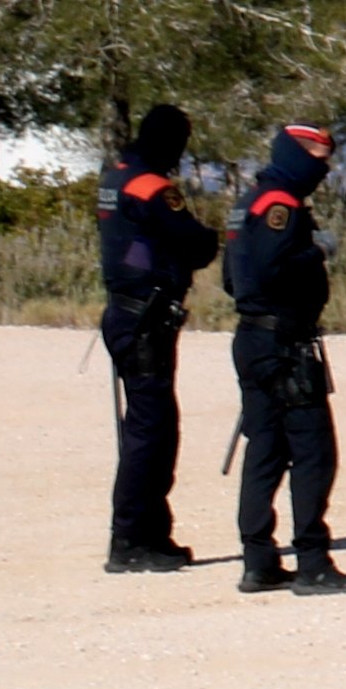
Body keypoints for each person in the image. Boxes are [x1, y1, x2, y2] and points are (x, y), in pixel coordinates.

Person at [221, 118, 346, 595]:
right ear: (301, 156)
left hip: (252, 338)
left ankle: (258, 561)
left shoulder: (247, 203)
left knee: (265, 449)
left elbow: (230, 279)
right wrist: (316, 251)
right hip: (284, 343)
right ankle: (313, 563)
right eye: (321, 162)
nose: (323, 171)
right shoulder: (281, 205)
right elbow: (274, 270)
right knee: (313, 451)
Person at [96, 104, 219, 574]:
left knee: (152, 426)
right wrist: (205, 237)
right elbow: (195, 243)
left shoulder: (116, 176)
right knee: (151, 432)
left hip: (127, 313)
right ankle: (128, 540)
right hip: (145, 319)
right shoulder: (152, 186)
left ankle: (151, 534)